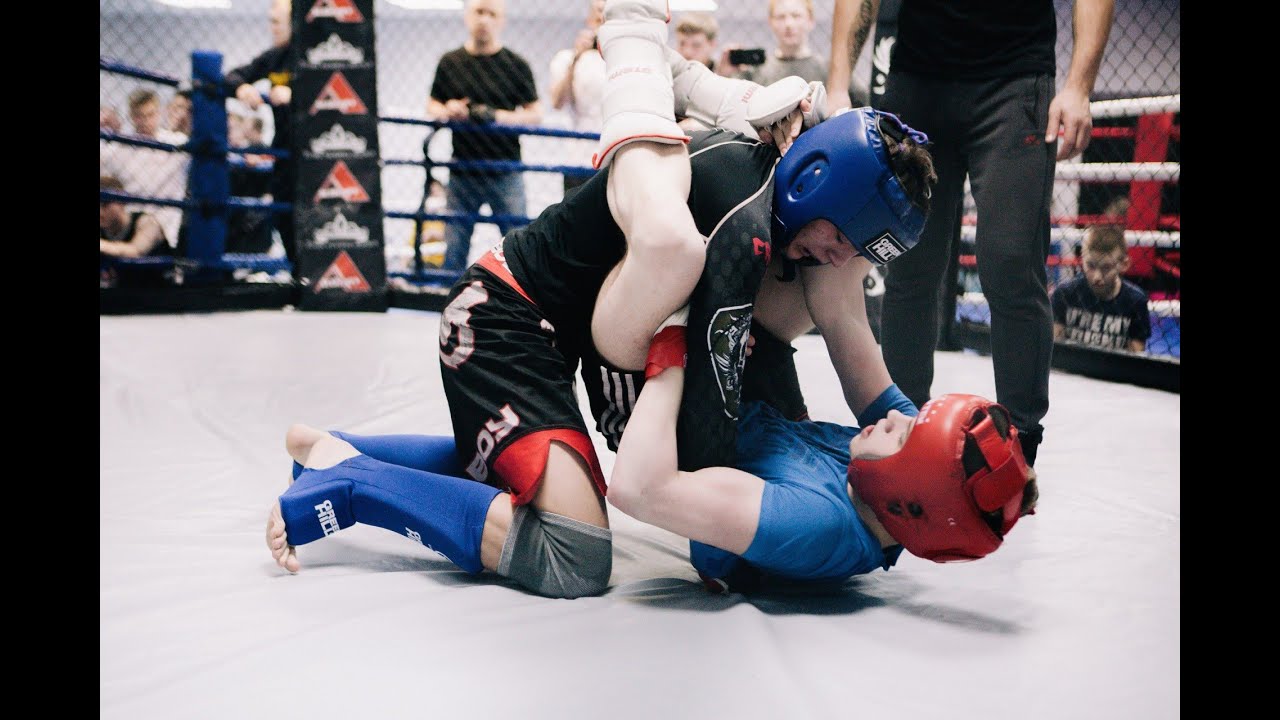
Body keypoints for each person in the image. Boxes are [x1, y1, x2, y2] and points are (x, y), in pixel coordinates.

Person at [266, 0, 935, 598]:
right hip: (509, 316)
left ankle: (338, 451)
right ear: (816, 183)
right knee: (574, 553)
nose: (841, 259)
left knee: (583, 456)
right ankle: (353, 487)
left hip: (584, 331)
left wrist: (940, 448)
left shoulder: (807, 226)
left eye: (859, 252)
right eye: (842, 240)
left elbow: (858, 356)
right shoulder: (723, 199)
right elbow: (628, 353)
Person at [829, 0, 1116, 468]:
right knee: (910, 266)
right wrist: (838, 85)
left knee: (1011, 263)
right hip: (917, 81)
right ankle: (903, 435)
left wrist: (1079, 86)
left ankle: (1018, 447)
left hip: (1015, 82)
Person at [427, 0, 542, 272]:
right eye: (479, 12)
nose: (484, 20)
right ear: (468, 16)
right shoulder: (451, 62)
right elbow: (432, 106)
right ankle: (449, 297)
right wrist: (448, 110)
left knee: (519, 249)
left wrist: (495, 116)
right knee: (454, 250)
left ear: (501, 20)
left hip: (505, 169)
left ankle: (522, 297)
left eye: (492, 14)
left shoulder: (516, 65)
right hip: (463, 170)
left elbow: (535, 115)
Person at [223, 0, 296, 267]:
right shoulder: (275, 57)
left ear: (294, 22)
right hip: (285, 154)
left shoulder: (313, 57)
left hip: (316, 155)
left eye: (277, 22)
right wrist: (241, 88)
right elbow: (232, 76)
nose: (272, 28)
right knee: (283, 215)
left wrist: (297, 94)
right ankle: (297, 275)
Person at [99, 87, 190, 250]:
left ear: (160, 112)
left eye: (150, 114)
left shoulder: (177, 144)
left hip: (166, 229)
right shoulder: (118, 150)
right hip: (128, 227)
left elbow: (209, 151)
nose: (146, 121)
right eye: (139, 116)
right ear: (131, 116)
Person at [1052, 224, 1150, 352]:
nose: (1097, 277)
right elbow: (1054, 350)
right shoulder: (1065, 294)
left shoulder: (1135, 302)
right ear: (1082, 259)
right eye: (1091, 265)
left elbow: (1135, 357)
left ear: (1124, 264)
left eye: (1106, 267)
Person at [548, 0, 607, 196]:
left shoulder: (625, 62)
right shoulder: (566, 58)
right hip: (579, 158)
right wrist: (577, 59)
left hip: (615, 155)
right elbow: (557, 102)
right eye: (599, 11)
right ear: (590, 18)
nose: (603, 17)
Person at [720, 0, 827, 88]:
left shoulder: (826, 70)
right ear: (771, 22)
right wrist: (724, 76)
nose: (788, 24)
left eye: (796, 16)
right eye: (781, 17)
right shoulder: (755, 71)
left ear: (810, 20)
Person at [100, 175, 176, 289]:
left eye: (105, 205)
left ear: (122, 201)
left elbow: (135, 252)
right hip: (121, 296)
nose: (100, 212)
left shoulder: (147, 222)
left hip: (159, 295)